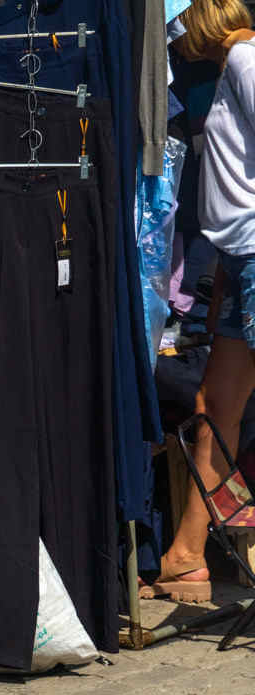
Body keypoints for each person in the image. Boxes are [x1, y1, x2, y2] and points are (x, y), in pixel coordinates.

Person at [154, 0, 255, 602]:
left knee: (220, 407)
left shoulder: (244, 58)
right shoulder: (232, 65)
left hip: (253, 254)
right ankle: (187, 555)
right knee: (214, 406)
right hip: (239, 262)